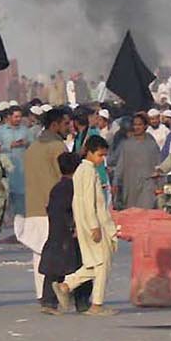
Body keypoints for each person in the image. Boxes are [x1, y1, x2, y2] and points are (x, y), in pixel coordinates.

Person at [64, 134, 119, 314]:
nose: (101, 159)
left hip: (86, 223)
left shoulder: (81, 170)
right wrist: (94, 226)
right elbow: (88, 201)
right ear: (89, 152)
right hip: (94, 224)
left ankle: (67, 285)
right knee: (102, 263)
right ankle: (97, 304)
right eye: (100, 155)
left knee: (95, 263)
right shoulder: (87, 171)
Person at [17, 106, 68, 298]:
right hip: (53, 208)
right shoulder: (57, 147)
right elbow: (65, 177)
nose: (68, 127)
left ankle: (42, 295)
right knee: (57, 252)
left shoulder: (32, 147)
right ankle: (54, 294)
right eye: (65, 123)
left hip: (34, 207)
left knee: (39, 253)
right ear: (54, 125)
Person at [37, 151, 82, 314]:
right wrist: (73, 226)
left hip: (56, 231)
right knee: (78, 266)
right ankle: (81, 302)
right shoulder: (71, 187)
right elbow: (67, 210)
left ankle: (49, 302)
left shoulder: (58, 187)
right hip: (67, 233)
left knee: (54, 269)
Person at [111, 112, 164, 210]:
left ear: (145, 126)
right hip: (130, 186)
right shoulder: (126, 145)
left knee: (146, 212)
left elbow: (159, 166)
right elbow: (120, 166)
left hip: (148, 185)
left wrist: (160, 186)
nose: (136, 127)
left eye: (139, 124)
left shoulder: (152, 145)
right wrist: (115, 183)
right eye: (135, 125)